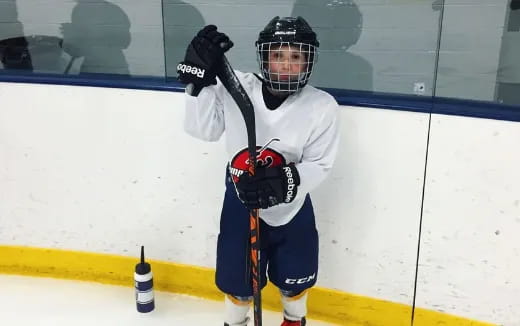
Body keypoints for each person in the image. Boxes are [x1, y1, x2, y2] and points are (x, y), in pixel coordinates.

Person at [177, 16, 340, 326]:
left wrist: (284, 182)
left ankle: (293, 320)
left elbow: (320, 164)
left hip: (292, 207)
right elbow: (203, 131)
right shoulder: (236, 87)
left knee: (296, 278)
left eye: (296, 57)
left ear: (308, 61)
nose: (287, 65)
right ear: (265, 58)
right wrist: (197, 85)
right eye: (278, 55)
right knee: (238, 284)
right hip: (240, 203)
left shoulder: (322, 106)